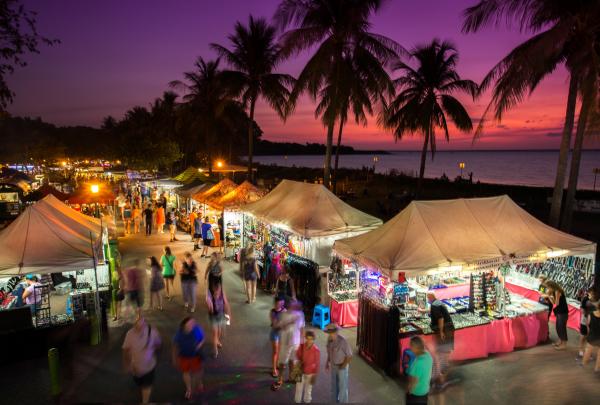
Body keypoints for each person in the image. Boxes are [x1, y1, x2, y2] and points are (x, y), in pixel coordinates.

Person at [122, 316, 162, 404]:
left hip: (149, 366)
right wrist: (127, 364)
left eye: (141, 326)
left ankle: (145, 402)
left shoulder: (152, 332)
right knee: (139, 382)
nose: (139, 328)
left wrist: (152, 348)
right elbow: (125, 349)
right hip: (135, 367)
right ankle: (143, 390)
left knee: (147, 386)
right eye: (137, 326)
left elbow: (158, 344)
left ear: (145, 324)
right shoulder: (130, 334)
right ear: (134, 325)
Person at [272, 300, 305, 391]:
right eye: (294, 305)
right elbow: (277, 326)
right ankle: (280, 380)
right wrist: (290, 322)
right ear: (290, 305)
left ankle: (292, 378)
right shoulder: (284, 314)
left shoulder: (301, 314)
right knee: (282, 362)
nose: (297, 306)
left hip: (296, 342)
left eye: (298, 305)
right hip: (285, 343)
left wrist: (303, 341)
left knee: (294, 361)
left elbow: (302, 327)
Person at [173, 317, 205, 400]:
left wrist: (199, 345)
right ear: (184, 324)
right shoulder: (179, 334)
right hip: (184, 356)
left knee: (197, 371)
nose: (192, 325)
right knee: (186, 372)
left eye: (193, 323)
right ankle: (189, 389)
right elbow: (175, 346)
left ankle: (199, 382)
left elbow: (202, 339)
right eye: (190, 323)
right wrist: (174, 358)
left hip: (195, 356)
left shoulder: (197, 330)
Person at [427, 292, 454, 389]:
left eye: (427, 297)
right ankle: (443, 369)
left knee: (444, 349)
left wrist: (441, 331)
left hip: (445, 329)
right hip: (448, 327)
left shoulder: (434, 305)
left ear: (430, 297)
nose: (427, 299)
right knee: (445, 349)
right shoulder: (437, 303)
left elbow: (440, 318)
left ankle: (443, 372)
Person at [325, 323, 352, 403]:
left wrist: (343, 366)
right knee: (334, 385)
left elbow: (349, 355)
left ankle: (343, 402)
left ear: (336, 332)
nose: (331, 334)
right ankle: (334, 401)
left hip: (341, 365)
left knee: (343, 387)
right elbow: (329, 352)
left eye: (332, 332)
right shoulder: (329, 340)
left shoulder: (343, 341)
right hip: (334, 365)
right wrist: (327, 362)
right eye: (329, 332)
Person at [206, 279, 230, 358]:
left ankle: (217, 341)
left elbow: (226, 303)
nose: (217, 291)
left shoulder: (222, 292)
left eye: (219, 289)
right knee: (215, 333)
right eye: (215, 289)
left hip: (221, 315)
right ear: (212, 289)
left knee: (219, 331)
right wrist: (210, 306)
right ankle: (215, 350)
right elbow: (208, 301)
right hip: (213, 316)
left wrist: (228, 315)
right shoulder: (209, 294)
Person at [294, 330, 320, 404]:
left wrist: (315, 375)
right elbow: (297, 355)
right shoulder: (301, 346)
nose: (309, 341)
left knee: (308, 388)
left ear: (314, 339)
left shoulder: (316, 350)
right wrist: (300, 361)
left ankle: (307, 400)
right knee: (298, 388)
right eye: (307, 338)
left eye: (311, 339)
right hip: (301, 371)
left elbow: (317, 363)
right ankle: (297, 401)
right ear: (305, 338)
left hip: (310, 373)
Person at [405, 336, 433, 405]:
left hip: (416, 394)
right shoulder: (428, 355)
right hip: (425, 391)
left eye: (411, 346)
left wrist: (409, 391)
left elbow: (414, 381)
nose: (410, 348)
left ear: (415, 347)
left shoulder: (418, 363)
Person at [546, 280, 569, 350]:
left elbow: (557, 303)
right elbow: (553, 304)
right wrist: (550, 297)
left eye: (548, 287)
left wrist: (549, 296)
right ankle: (560, 341)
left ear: (551, 286)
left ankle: (564, 344)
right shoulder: (554, 292)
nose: (548, 289)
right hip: (559, 312)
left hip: (563, 312)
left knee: (562, 328)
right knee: (558, 327)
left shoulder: (557, 291)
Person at [270, 296, 286, 378]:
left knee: (279, 351)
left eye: (281, 303)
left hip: (281, 334)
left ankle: (277, 364)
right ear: (275, 303)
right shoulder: (272, 312)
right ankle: (274, 369)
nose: (279, 305)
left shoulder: (284, 311)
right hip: (275, 333)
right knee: (275, 351)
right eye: (278, 303)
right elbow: (274, 325)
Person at [581, 301, 600, 372]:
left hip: (592, 335)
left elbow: (588, 324)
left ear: (597, 306)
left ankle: (583, 364)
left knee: (588, 350)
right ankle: (597, 368)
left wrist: (589, 333)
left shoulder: (591, 314)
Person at [579, 288, 596, 357]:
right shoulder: (585, 299)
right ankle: (581, 350)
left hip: (594, 320)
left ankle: (588, 352)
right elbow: (582, 309)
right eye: (591, 293)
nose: (592, 294)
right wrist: (587, 315)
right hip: (585, 319)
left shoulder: (596, 299)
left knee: (590, 336)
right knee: (583, 335)